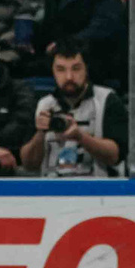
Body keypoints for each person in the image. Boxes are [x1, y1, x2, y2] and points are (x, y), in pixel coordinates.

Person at [20, 40, 126, 178]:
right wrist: (40, 133)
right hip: (52, 193)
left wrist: (81, 137)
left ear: (86, 69)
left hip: (99, 192)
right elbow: (29, 165)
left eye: (76, 68)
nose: (69, 77)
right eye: (61, 69)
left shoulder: (107, 99)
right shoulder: (43, 104)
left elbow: (115, 157)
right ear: (52, 71)